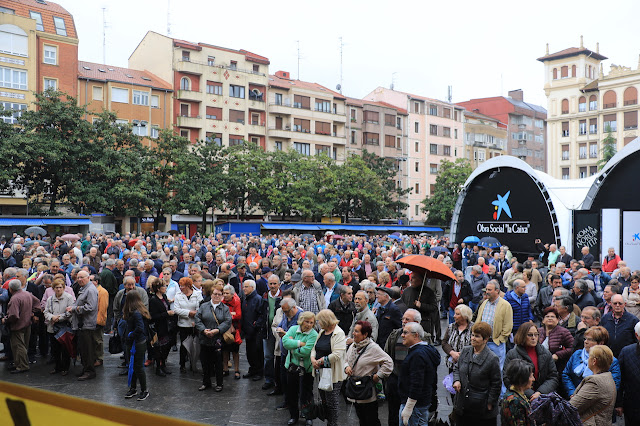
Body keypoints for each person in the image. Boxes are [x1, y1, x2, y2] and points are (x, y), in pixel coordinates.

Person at [452, 322, 501, 426]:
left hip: (481, 409)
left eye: (477, 336)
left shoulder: (492, 359)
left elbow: (496, 384)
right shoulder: (465, 350)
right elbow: (457, 368)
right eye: (472, 335)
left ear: (486, 339)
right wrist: (456, 380)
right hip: (463, 405)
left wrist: (490, 403)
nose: (473, 338)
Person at [384, 309, 428, 426]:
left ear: (417, 323)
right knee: (393, 412)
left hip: (413, 382)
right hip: (395, 379)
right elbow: (386, 355)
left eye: (407, 319)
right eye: (403, 319)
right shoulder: (394, 335)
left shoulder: (424, 338)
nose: (403, 321)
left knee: (412, 416)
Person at [344, 320, 393, 426]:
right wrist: (346, 367)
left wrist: (378, 375)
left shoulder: (373, 348)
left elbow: (389, 363)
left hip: (368, 393)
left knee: (371, 421)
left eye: (356, 331)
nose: (353, 333)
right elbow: (345, 359)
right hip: (355, 390)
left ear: (365, 334)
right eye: (354, 331)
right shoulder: (353, 345)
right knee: (361, 420)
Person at [397, 321, 440, 426]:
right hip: (421, 404)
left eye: (406, 333)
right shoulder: (426, 350)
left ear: (416, 335)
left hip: (414, 406)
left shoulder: (417, 355)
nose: (402, 335)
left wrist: (408, 407)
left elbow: (417, 383)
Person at [504, 322, 558, 400]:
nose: (533, 337)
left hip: (543, 397)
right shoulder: (512, 354)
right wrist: (531, 395)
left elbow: (553, 377)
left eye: (536, 334)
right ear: (522, 336)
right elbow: (508, 379)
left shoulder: (545, 353)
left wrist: (540, 393)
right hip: (520, 398)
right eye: (530, 335)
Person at [310, 309, 346, 426]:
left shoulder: (338, 333)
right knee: (324, 399)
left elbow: (337, 354)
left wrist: (320, 361)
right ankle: (329, 421)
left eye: (319, 320)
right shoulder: (322, 331)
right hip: (321, 372)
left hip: (333, 372)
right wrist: (313, 359)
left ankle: (333, 423)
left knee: (332, 402)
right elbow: (314, 348)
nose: (318, 323)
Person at [562, 326, 621, 397]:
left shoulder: (611, 361)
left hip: (595, 400)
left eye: (590, 339)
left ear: (601, 343)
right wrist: (572, 393)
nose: (586, 342)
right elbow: (566, 374)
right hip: (574, 397)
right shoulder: (577, 354)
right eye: (585, 339)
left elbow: (613, 385)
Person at [282, 311, 318, 426]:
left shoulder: (314, 334)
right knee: (292, 392)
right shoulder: (293, 329)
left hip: (306, 369)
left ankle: (308, 416)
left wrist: (293, 348)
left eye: (311, 322)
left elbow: (306, 352)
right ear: (301, 321)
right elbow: (285, 342)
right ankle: (293, 416)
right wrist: (299, 343)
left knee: (306, 394)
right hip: (292, 367)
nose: (309, 324)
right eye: (307, 321)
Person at [195, 282, 231, 392]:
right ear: (211, 294)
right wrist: (203, 330)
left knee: (218, 362)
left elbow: (227, 321)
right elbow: (197, 319)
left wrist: (217, 330)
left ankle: (219, 383)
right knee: (205, 362)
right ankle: (206, 382)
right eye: (215, 294)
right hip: (204, 338)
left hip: (217, 339)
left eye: (219, 294)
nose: (217, 296)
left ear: (222, 296)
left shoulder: (224, 308)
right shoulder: (204, 306)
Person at [569, 345, 616, 425]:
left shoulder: (595, 382)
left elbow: (572, 406)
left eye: (589, 357)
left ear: (594, 361)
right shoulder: (608, 378)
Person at [3, 279, 40, 373]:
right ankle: (18, 364)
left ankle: (22, 366)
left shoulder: (15, 298)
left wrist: (5, 320)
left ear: (10, 289)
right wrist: (32, 313)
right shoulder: (27, 294)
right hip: (27, 324)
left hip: (17, 325)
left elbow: (14, 315)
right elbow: (37, 303)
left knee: (18, 346)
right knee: (23, 345)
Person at [68, 270, 98, 381]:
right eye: (78, 277)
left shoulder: (90, 290)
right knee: (83, 349)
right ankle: (86, 369)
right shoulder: (84, 289)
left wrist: (74, 308)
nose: (79, 279)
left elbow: (90, 307)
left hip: (86, 325)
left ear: (88, 277)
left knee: (87, 349)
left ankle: (90, 371)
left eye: (82, 277)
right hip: (82, 325)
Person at [476, 280, 513, 369]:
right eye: (486, 290)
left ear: (497, 291)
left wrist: (500, 339)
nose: (487, 292)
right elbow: (478, 319)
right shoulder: (484, 303)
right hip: (482, 343)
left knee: (498, 369)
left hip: (496, 343)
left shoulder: (505, 305)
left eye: (489, 290)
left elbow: (508, 325)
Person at [123, 290, 151, 401]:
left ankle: (144, 390)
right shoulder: (138, 311)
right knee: (133, 366)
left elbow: (139, 328)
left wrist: (130, 336)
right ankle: (134, 388)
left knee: (138, 367)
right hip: (136, 342)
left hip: (136, 343)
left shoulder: (136, 313)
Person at [43, 278, 74, 375]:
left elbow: (70, 312)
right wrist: (52, 317)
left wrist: (59, 318)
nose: (58, 289)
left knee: (65, 349)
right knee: (55, 349)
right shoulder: (50, 299)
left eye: (60, 287)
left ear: (64, 288)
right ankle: (57, 367)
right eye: (56, 287)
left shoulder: (69, 297)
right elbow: (46, 311)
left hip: (65, 327)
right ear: (53, 288)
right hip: (53, 327)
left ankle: (65, 368)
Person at [173, 276, 203, 373]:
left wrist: (195, 313)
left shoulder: (198, 294)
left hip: (195, 324)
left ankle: (193, 363)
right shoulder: (178, 295)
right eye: (180, 286)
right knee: (183, 345)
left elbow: (200, 308)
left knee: (195, 345)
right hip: (183, 324)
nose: (181, 288)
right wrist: (189, 313)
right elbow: (176, 310)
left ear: (188, 286)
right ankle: (182, 364)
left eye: (183, 286)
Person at [148, 278, 175, 376]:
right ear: (158, 288)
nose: (165, 287)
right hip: (159, 328)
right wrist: (166, 314)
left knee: (166, 348)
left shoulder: (164, 296)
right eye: (163, 286)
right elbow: (153, 317)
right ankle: (158, 368)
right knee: (158, 349)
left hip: (166, 326)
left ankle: (163, 365)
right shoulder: (153, 300)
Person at [401, 270, 438, 340]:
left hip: (423, 325)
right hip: (408, 325)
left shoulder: (428, 292)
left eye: (413, 278)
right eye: (410, 278)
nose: (411, 280)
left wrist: (421, 305)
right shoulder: (407, 291)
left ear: (420, 279)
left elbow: (434, 307)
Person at [539, 306, 574, 377]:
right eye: (547, 316)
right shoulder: (538, 331)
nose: (550, 318)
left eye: (553, 317)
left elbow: (572, 348)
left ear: (557, 320)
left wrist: (558, 355)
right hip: (540, 366)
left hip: (557, 367)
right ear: (543, 320)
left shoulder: (564, 332)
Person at [241, 280, 266, 380]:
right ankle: (252, 369)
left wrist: (256, 324)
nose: (244, 289)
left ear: (252, 288)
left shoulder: (258, 299)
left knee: (257, 353)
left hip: (255, 331)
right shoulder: (246, 298)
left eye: (246, 287)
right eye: (244, 287)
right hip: (248, 331)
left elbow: (261, 314)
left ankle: (259, 372)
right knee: (249, 353)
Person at [616, 322, 640, 424]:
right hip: (633, 406)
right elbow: (619, 379)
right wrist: (618, 403)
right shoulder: (626, 352)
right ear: (637, 336)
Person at [500, 359, 535, 426]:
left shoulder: (518, 395)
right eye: (531, 376)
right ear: (522, 379)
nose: (533, 379)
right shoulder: (514, 401)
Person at [442, 304, 474, 372]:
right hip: (452, 364)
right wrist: (452, 353)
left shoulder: (473, 328)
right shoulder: (451, 327)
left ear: (465, 316)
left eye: (457, 314)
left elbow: (475, 346)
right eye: (455, 313)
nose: (454, 316)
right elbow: (444, 343)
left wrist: (461, 356)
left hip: (468, 365)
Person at [222, 283, 242, 380]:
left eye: (227, 293)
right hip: (224, 330)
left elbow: (238, 315)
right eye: (224, 293)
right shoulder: (222, 301)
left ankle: (236, 369)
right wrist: (231, 314)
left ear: (232, 294)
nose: (225, 295)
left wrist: (227, 316)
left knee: (235, 351)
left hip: (234, 330)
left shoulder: (236, 301)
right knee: (225, 350)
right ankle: (225, 369)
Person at [505, 280, 533, 347]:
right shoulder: (507, 299)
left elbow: (529, 309)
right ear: (517, 288)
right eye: (523, 287)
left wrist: (531, 318)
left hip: (525, 328)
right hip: (513, 329)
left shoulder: (525, 297)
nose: (525, 289)